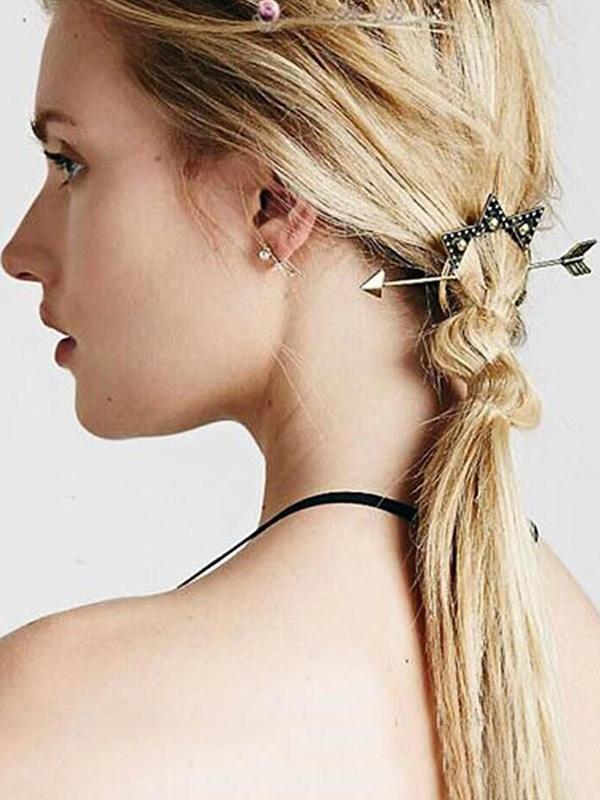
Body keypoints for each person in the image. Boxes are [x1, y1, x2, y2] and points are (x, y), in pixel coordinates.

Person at [1, 0, 598, 797]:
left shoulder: (58, 713)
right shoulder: (575, 676)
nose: (19, 251)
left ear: (274, 200)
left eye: (70, 163)